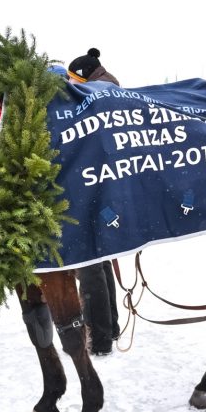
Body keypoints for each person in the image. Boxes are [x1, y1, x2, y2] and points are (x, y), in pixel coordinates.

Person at [66, 48, 121, 355]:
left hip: (96, 190)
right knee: (98, 263)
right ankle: (108, 328)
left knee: (88, 266)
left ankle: (99, 339)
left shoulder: (100, 95)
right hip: (102, 190)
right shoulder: (106, 90)